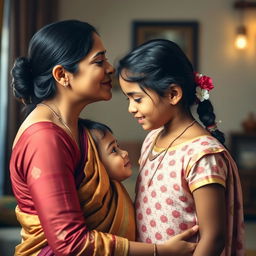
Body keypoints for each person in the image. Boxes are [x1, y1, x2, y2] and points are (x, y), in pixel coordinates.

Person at [10, 20, 198, 256]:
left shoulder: (75, 128)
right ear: (62, 75)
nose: (110, 68)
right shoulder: (44, 139)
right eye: (99, 61)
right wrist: (159, 251)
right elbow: (70, 243)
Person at [117, 39, 245, 256]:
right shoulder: (152, 138)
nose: (131, 108)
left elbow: (213, 238)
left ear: (173, 94)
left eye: (137, 99)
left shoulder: (202, 155)